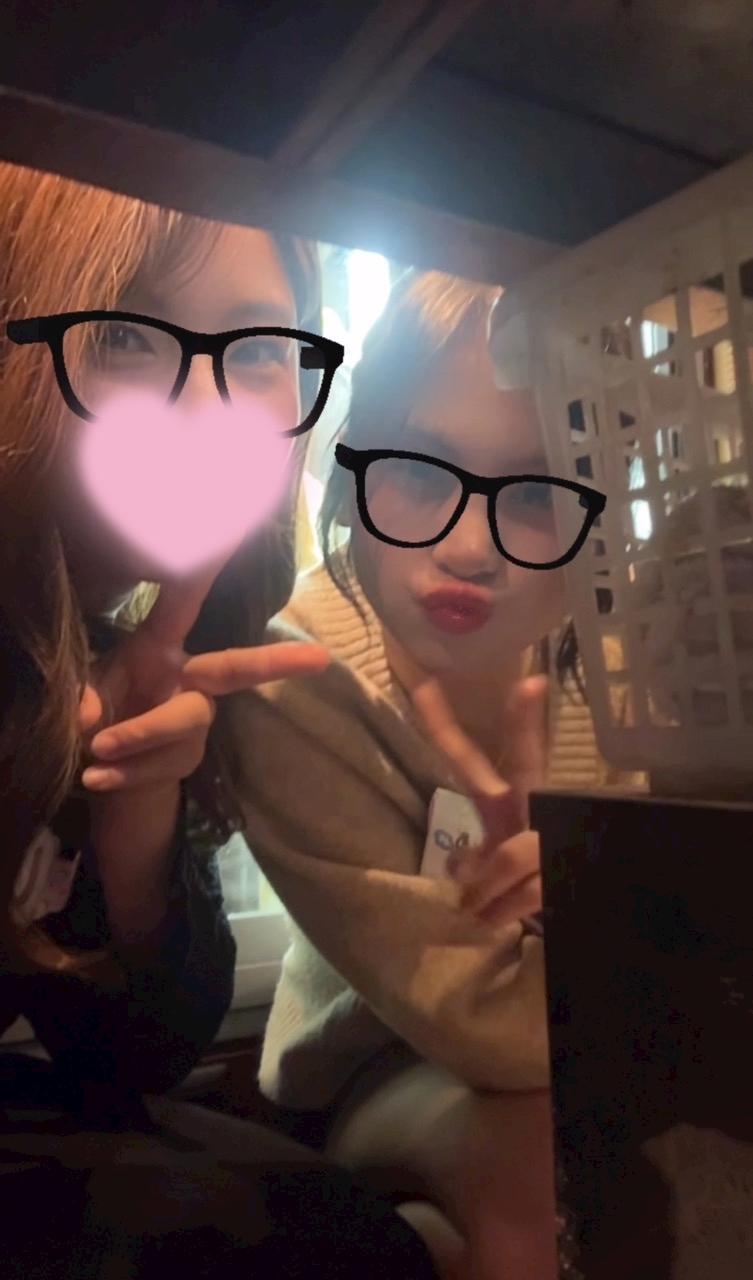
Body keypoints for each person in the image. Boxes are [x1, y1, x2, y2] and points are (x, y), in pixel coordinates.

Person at [0, 160, 439, 1280]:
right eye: (128, 337)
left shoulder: (137, 659)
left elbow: (136, 1057)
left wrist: (134, 822)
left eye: (255, 353)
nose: (206, 412)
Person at [209, 269, 639, 1280]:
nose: (467, 545)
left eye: (534, 494)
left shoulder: (619, 669)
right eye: (418, 471)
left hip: (586, 1044)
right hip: (368, 1069)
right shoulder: (294, 680)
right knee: (546, 1156)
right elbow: (487, 1031)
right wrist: (610, 922)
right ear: (356, 467)